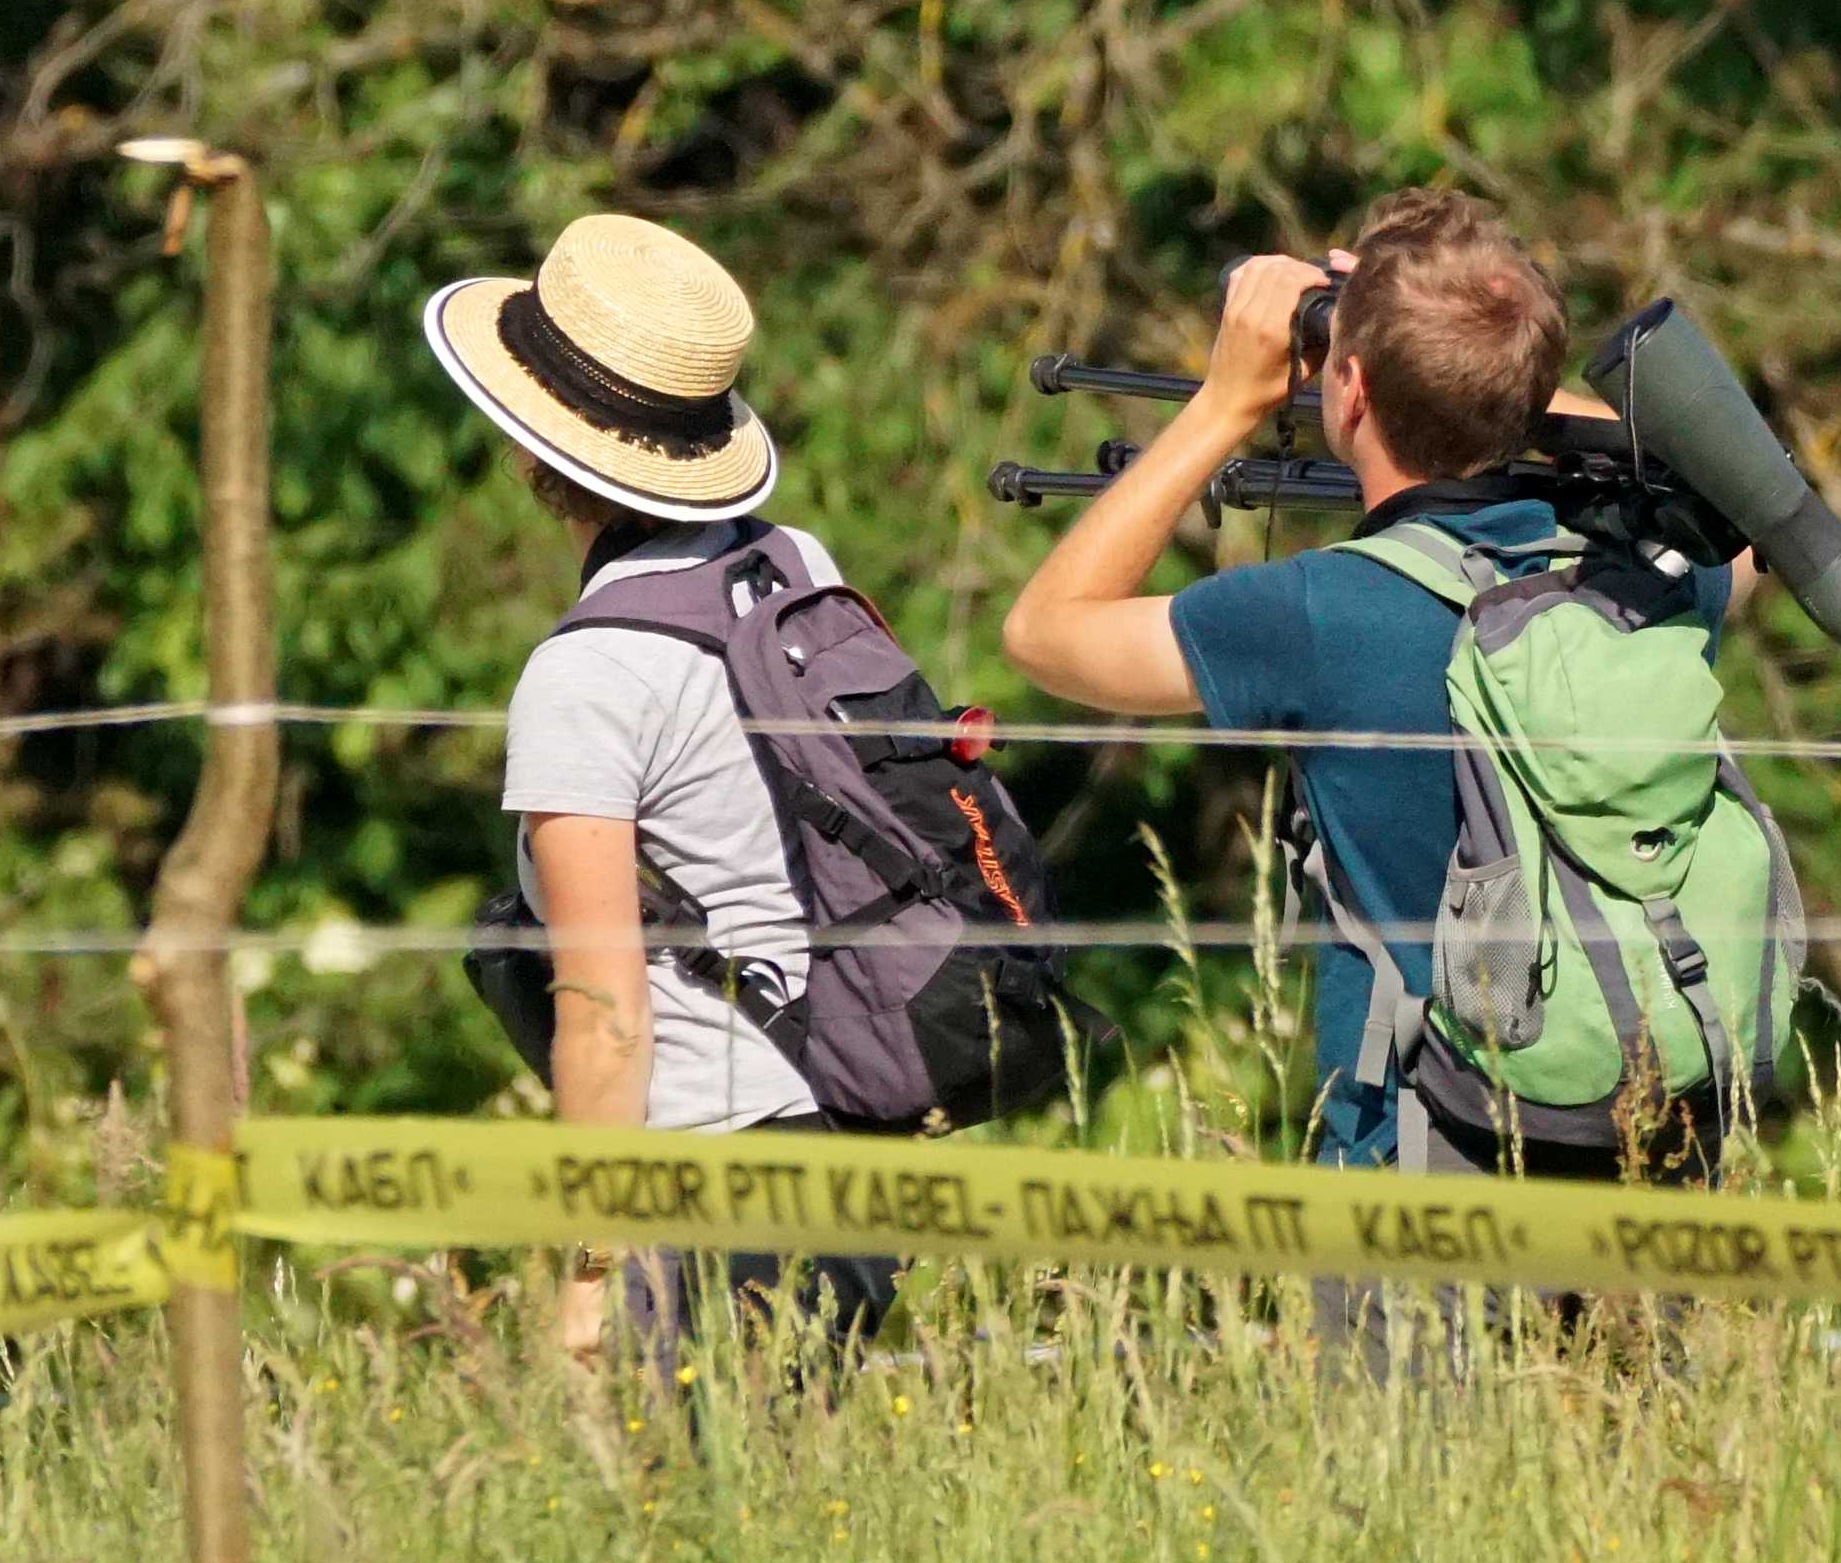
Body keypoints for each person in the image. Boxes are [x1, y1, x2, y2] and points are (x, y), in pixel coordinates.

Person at [999, 190, 1742, 1230]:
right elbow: (1736, 510)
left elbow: (1045, 631)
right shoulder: (1661, 581)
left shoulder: (1324, 611)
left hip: (1421, 1171)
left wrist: (1226, 402)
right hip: (1655, 1159)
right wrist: (1485, 343)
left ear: (1348, 391)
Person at [424, 212, 904, 1373]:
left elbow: (604, 1010)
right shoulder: (793, 566)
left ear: (537, 445)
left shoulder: (585, 675)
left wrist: (592, 1269)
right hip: (850, 1143)